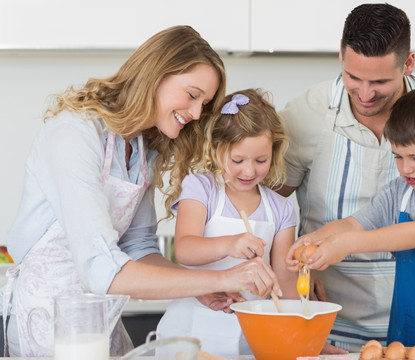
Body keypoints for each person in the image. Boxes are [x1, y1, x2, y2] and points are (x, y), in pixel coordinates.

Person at [3, 26, 281, 357]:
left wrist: (198, 291)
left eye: (203, 104)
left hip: (100, 324)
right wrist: (219, 280)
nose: (195, 114)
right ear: (156, 74)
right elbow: (99, 268)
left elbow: (138, 247)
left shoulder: (141, 150)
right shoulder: (72, 135)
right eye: (192, 95)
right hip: (46, 325)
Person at [277, 3, 415, 352]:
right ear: (341, 53)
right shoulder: (306, 115)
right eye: (354, 78)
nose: (366, 94)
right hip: (341, 322)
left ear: (408, 63)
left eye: (380, 81)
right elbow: (341, 221)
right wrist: (304, 251)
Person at [156, 88, 298, 357]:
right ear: (216, 148)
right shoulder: (200, 189)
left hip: (250, 337)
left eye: (261, 160)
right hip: (191, 332)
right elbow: (185, 249)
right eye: (237, 160)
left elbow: (286, 285)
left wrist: (301, 337)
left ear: (274, 152)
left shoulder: (281, 208)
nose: (248, 171)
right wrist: (230, 245)